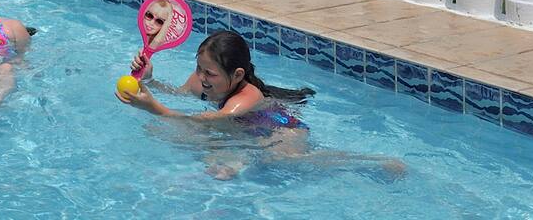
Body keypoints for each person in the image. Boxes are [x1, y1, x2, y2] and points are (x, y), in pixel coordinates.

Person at [120, 30, 402, 181]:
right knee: (203, 143)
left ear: (238, 75)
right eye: (199, 69)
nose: (201, 78)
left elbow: (205, 120)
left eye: (210, 73)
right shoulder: (201, 80)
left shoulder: (247, 98)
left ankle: (371, 164)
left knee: (286, 161)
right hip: (240, 130)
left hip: (279, 130)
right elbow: (180, 95)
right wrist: (152, 81)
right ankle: (231, 164)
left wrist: (153, 108)